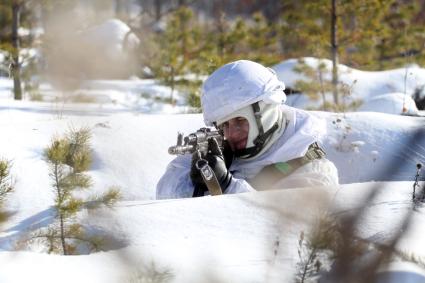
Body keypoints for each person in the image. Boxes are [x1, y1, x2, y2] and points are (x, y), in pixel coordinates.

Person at [156, 60, 339, 199]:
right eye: (224, 125)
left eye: (239, 121)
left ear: (266, 112)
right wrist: (193, 182)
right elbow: (163, 195)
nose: (231, 134)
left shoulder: (312, 169)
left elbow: (282, 231)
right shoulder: (221, 149)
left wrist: (227, 186)